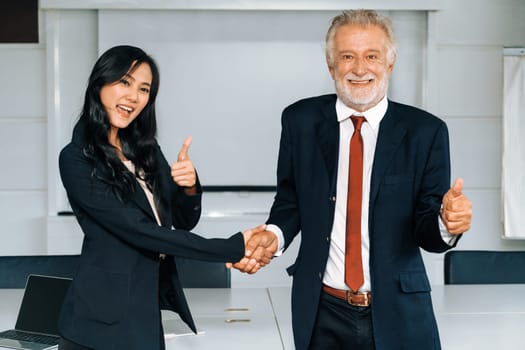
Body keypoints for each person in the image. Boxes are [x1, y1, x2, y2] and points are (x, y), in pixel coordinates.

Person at [231, 9, 473, 350]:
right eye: (348, 56)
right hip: (321, 312)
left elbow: (427, 231)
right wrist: (273, 234)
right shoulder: (299, 121)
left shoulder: (426, 132)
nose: (360, 69)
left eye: (372, 56)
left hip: (399, 312)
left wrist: (448, 223)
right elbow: (290, 201)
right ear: (331, 66)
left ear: (389, 64)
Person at [57, 45, 267, 350]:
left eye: (144, 89)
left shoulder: (146, 150)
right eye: (125, 82)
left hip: (145, 310)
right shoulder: (76, 158)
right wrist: (232, 247)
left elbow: (182, 221)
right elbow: (140, 231)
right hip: (98, 323)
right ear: (100, 84)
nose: (134, 96)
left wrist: (190, 186)